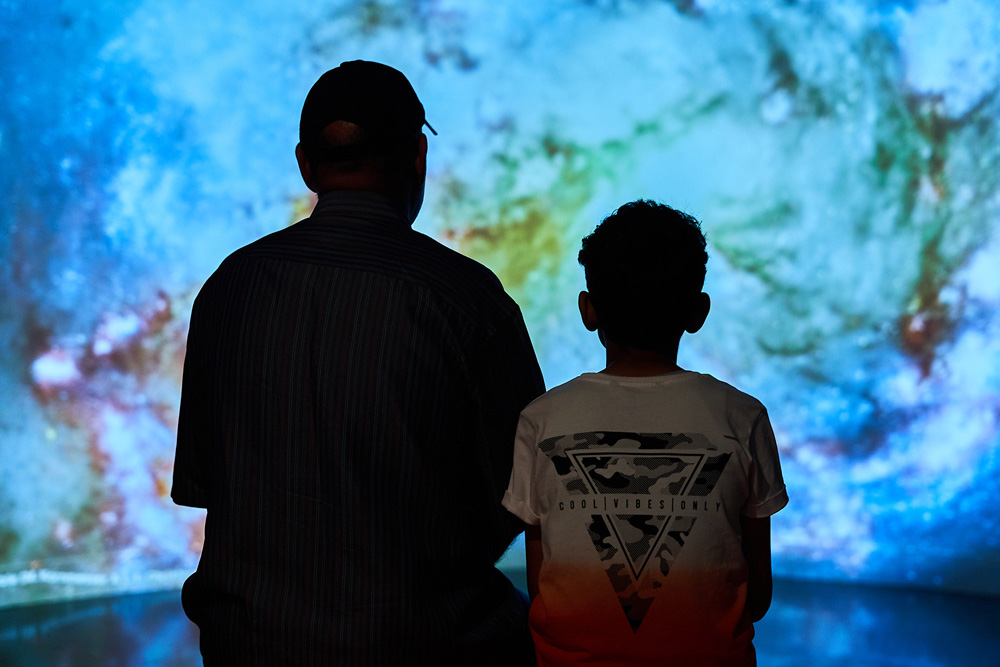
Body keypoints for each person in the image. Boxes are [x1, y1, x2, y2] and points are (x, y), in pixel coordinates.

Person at [172, 60, 544, 665]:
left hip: (248, 645)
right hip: (427, 645)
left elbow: (205, 481)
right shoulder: (469, 301)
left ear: (306, 165)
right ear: (417, 158)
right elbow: (527, 497)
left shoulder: (228, 290)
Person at [502, 200, 788, 666]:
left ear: (588, 309)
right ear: (698, 312)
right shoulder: (743, 418)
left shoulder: (542, 421)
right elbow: (755, 596)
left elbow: (543, 589)